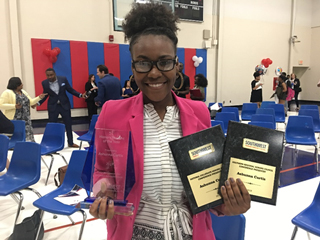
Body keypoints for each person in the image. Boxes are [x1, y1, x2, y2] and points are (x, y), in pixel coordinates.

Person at [89, 3, 251, 240]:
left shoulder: (199, 113)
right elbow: (102, 169)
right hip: (133, 232)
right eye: (143, 63)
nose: (154, 73)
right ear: (132, 66)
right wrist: (102, 193)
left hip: (189, 232)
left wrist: (229, 204)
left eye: (164, 62)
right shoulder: (112, 112)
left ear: (176, 65)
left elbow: (207, 181)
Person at [38, 68, 86, 148]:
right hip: (53, 106)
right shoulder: (44, 83)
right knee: (53, 126)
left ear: (55, 74)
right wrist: (38, 103)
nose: (49, 77)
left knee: (68, 124)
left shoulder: (63, 79)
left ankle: (70, 142)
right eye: (48, 75)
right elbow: (45, 95)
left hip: (64, 105)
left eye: (51, 75)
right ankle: (53, 143)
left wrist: (80, 95)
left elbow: (70, 89)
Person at [0, 77, 47, 142]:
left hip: (26, 118)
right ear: (16, 85)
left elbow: (30, 102)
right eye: (20, 84)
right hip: (15, 118)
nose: (22, 85)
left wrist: (39, 97)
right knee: (17, 135)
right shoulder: (7, 93)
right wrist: (14, 106)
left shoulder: (23, 92)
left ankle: (29, 146)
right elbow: (1, 105)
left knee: (28, 134)